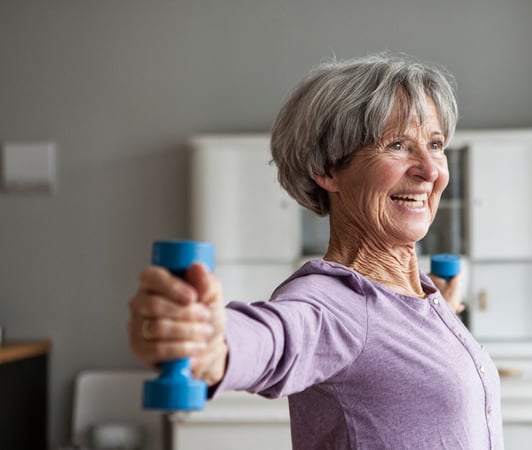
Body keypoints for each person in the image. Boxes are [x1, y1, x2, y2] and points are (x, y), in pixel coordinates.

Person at [128, 53, 504, 449]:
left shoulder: (412, 292)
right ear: (328, 169)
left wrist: (438, 309)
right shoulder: (332, 305)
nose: (430, 170)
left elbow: (392, 348)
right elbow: (275, 339)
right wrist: (208, 342)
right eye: (397, 144)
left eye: (435, 144)